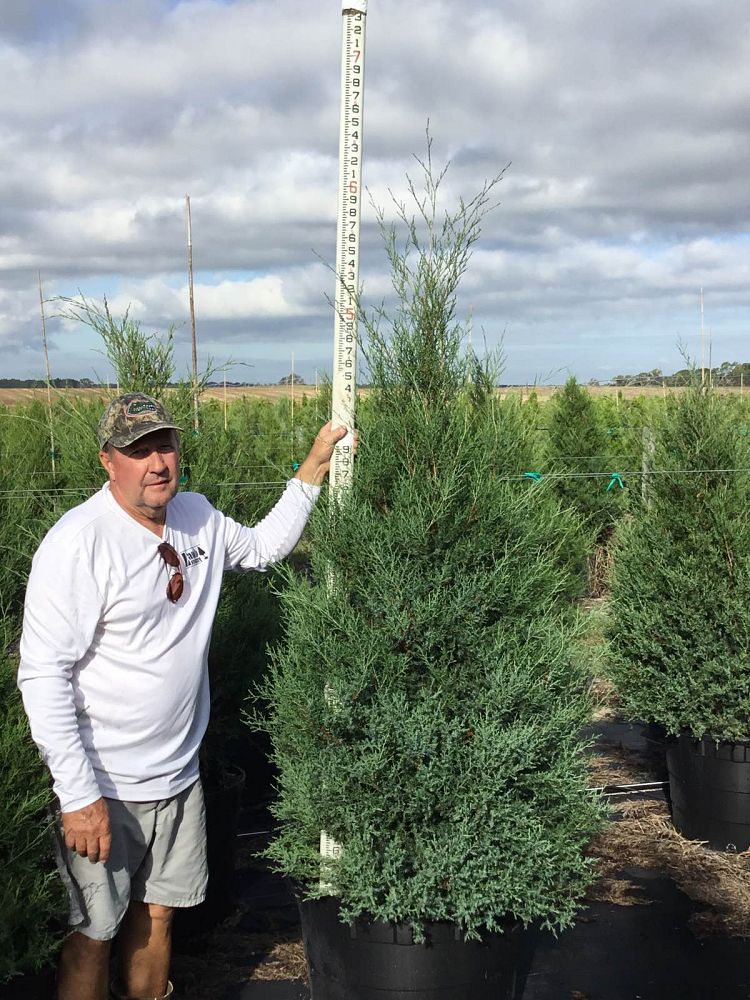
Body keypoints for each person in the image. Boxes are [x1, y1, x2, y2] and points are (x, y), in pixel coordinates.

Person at [17, 392, 347, 1000]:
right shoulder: (80, 543)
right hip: (105, 784)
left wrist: (314, 465)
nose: (156, 463)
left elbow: (264, 548)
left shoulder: (198, 516)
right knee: (92, 933)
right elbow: (43, 674)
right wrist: (78, 795)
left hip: (177, 775)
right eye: (137, 451)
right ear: (107, 461)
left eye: (164, 446)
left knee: (159, 915)